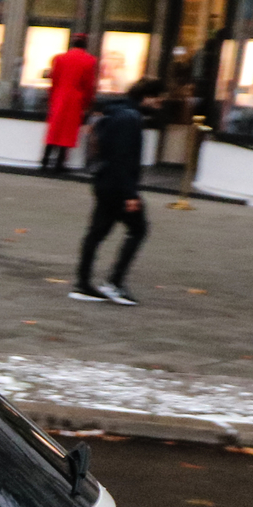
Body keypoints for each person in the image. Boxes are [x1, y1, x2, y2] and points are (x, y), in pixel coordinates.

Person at [73, 76, 164, 305]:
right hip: (117, 186)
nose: (160, 104)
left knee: (97, 233)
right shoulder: (130, 118)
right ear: (147, 97)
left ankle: (83, 284)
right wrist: (130, 194)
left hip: (104, 181)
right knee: (138, 229)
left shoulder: (114, 112)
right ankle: (114, 282)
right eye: (158, 99)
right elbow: (123, 158)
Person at [40, 34, 98, 171]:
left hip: (59, 96)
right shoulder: (89, 60)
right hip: (75, 99)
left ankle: (45, 159)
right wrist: (87, 103)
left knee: (54, 130)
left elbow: (53, 80)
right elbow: (89, 84)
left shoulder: (59, 59)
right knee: (68, 132)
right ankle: (60, 163)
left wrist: (51, 98)